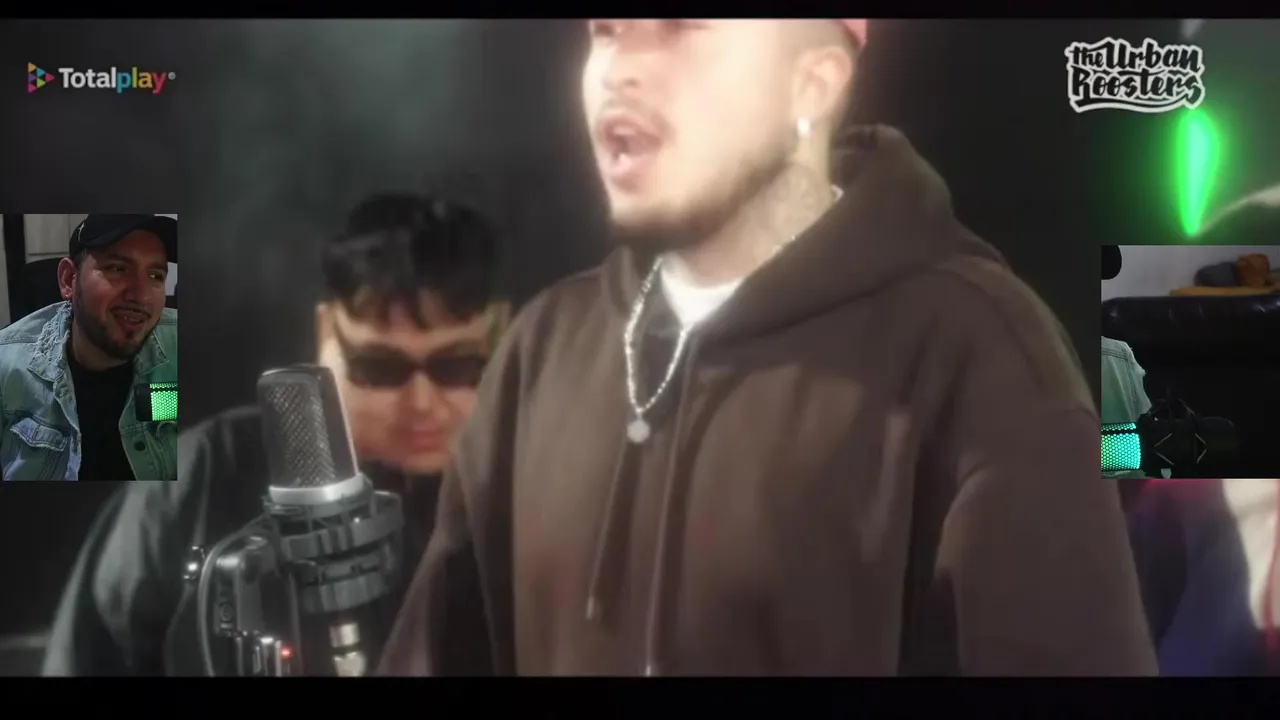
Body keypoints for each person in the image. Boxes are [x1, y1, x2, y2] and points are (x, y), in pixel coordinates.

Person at [379, 19, 1157, 676]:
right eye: (607, 30)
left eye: (679, 27)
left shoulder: (978, 355)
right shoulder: (541, 351)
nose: (619, 69)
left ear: (812, 84)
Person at [41, 193, 510, 675]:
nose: (422, 403)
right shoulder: (205, 471)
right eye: (380, 367)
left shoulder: (527, 491)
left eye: (457, 365)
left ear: (502, 337)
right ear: (327, 330)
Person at [0, 214, 178, 482]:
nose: (141, 296)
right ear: (69, 279)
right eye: (118, 268)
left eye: (155, 276)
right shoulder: (7, 367)